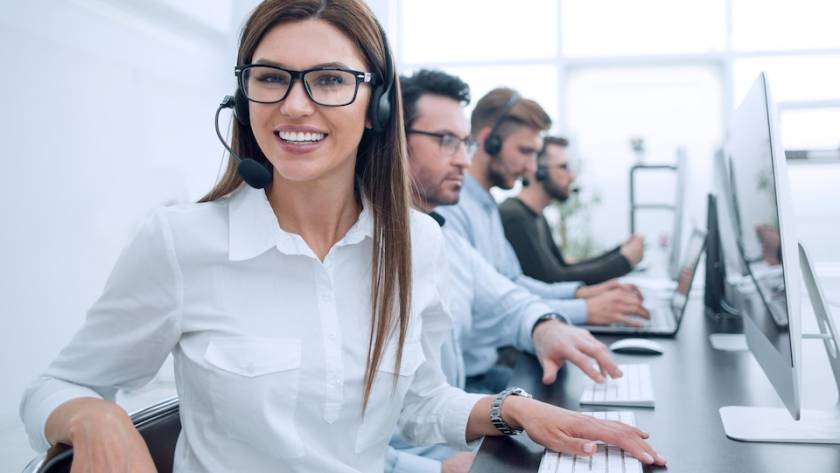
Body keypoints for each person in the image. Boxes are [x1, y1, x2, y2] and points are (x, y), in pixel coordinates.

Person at [19, 3, 665, 473]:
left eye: (329, 79)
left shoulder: (417, 244)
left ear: (376, 104)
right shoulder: (182, 242)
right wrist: (93, 414)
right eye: (271, 77)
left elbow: (418, 401)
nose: (295, 106)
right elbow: (54, 385)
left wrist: (514, 411)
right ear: (243, 96)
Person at [389, 69, 665, 473]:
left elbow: (504, 293)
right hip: (436, 435)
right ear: (389, 140)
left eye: (463, 143)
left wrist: (546, 324)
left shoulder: (433, 230)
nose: (464, 160)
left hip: (450, 420)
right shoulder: (393, 235)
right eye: (447, 141)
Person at [436, 88, 650, 328]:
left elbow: (514, 282)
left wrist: (579, 294)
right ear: (490, 142)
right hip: (495, 358)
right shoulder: (453, 210)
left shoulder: (488, 207)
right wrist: (584, 309)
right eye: (525, 151)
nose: (530, 168)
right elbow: (485, 307)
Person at [499, 136, 645, 286]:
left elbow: (563, 267)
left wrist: (619, 252)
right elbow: (554, 280)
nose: (572, 176)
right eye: (563, 167)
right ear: (537, 171)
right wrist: (624, 261)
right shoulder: (514, 217)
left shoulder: (537, 216)